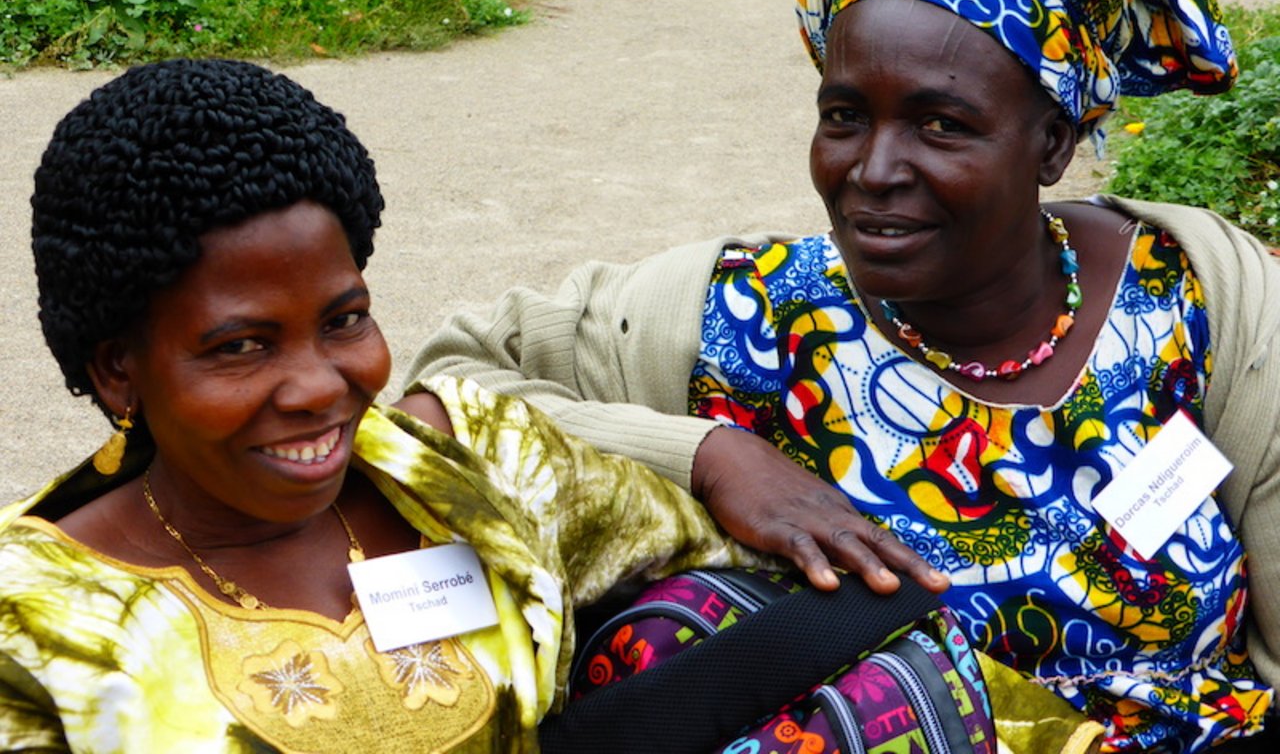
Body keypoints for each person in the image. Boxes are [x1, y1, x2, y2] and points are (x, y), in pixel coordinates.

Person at [404, 0, 1280, 752]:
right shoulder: (742, 320)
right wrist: (707, 455)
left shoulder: (1202, 303)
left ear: (1053, 143)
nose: (874, 169)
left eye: (943, 124)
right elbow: (443, 393)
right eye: (845, 115)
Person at [0, 59, 773, 752]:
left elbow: (734, 572)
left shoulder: (474, 468)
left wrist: (715, 457)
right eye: (241, 346)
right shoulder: (35, 626)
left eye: (343, 321)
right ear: (115, 371)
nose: (319, 386)